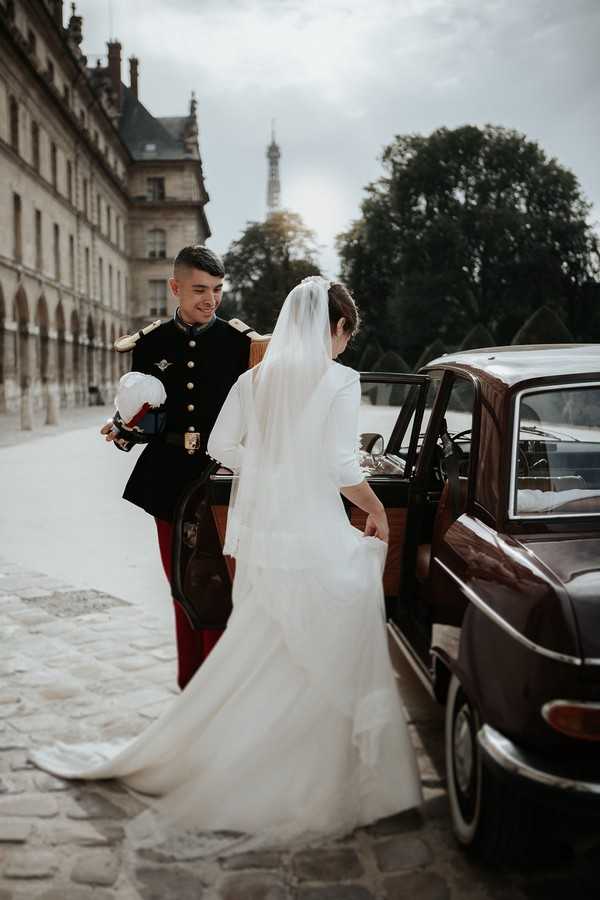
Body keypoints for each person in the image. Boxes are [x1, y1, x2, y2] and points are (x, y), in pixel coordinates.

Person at [30, 276, 422, 854]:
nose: (344, 347)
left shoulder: (252, 377)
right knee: (330, 624)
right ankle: (314, 765)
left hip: (266, 537)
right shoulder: (339, 379)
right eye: (345, 336)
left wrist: (272, 465)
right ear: (335, 329)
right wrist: (376, 512)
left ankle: (261, 753)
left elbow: (221, 447)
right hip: (314, 529)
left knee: (271, 639)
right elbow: (342, 463)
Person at [103, 245, 252, 690]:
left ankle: (217, 683)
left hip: (220, 479)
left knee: (218, 580)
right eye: (200, 290)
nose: (211, 300)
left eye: (218, 290)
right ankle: (191, 681)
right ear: (175, 288)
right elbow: (146, 411)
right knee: (180, 584)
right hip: (167, 480)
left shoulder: (240, 344)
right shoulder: (151, 343)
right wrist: (123, 426)